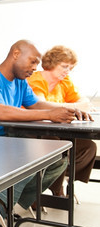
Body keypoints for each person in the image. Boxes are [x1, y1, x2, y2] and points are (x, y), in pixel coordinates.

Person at [0, 40, 92, 223]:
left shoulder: (20, 83)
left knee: (58, 157)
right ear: (16, 54)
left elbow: (36, 103)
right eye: (33, 61)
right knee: (30, 155)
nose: (35, 68)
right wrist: (50, 114)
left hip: (3, 138)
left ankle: (1, 205)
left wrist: (67, 109)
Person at [27, 45, 97, 196]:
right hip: (34, 131)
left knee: (88, 147)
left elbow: (82, 100)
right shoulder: (36, 79)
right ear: (51, 64)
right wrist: (75, 106)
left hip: (58, 130)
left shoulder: (65, 81)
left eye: (70, 68)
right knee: (59, 147)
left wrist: (80, 105)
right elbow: (41, 105)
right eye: (64, 66)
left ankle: (58, 180)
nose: (67, 71)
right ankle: (44, 191)